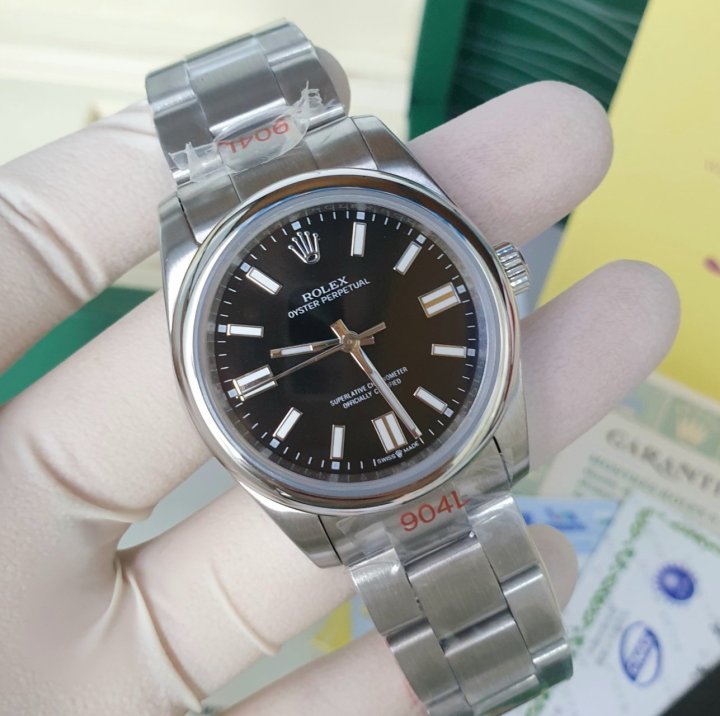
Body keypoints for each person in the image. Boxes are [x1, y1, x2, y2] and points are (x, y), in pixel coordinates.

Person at [0, 61, 679, 715]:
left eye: (352, 335)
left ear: (500, 275)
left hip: (447, 433)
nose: (350, 340)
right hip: (351, 474)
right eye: (342, 342)